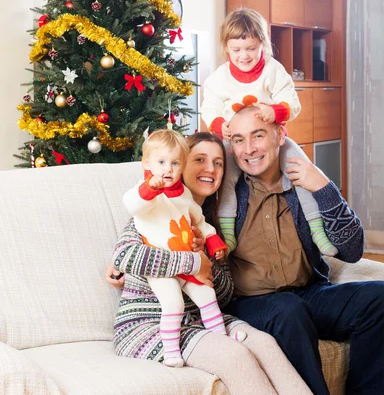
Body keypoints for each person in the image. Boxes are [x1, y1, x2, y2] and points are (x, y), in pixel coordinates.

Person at [108, 132, 312, 395]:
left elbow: (225, 293)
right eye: (200, 159)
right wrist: (193, 261)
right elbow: (125, 256)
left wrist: (208, 258)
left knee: (265, 345)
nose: (209, 168)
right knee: (235, 357)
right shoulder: (155, 208)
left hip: (201, 321)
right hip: (147, 325)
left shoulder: (212, 226)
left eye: (218, 163)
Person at [224, 105, 384, 395]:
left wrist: (324, 188)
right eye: (238, 139)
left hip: (309, 294)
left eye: (258, 135)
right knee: (289, 310)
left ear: (280, 135)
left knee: (380, 297)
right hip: (247, 303)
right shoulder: (224, 191)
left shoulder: (304, 183)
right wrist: (126, 258)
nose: (249, 149)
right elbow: (169, 203)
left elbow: (351, 251)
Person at [201, 8, 338, 257]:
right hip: (235, 143)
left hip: (273, 142)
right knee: (227, 182)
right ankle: (229, 235)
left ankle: (317, 230)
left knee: (302, 170)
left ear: (263, 44)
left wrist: (275, 111)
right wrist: (223, 126)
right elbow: (208, 108)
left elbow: (292, 102)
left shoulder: (273, 70)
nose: (244, 56)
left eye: (251, 48)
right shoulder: (219, 78)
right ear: (226, 48)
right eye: (236, 50)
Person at [122, 129, 228, 368]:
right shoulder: (147, 193)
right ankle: (171, 352)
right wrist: (150, 188)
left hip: (187, 258)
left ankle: (221, 338)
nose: (167, 169)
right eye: (161, 162)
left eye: (174, 163)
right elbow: (132, 205)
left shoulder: (184, 195)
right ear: (147, 163)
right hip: (163, 268)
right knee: (173, 303)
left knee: (208, 296)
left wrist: (212, 242)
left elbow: (199, 220)